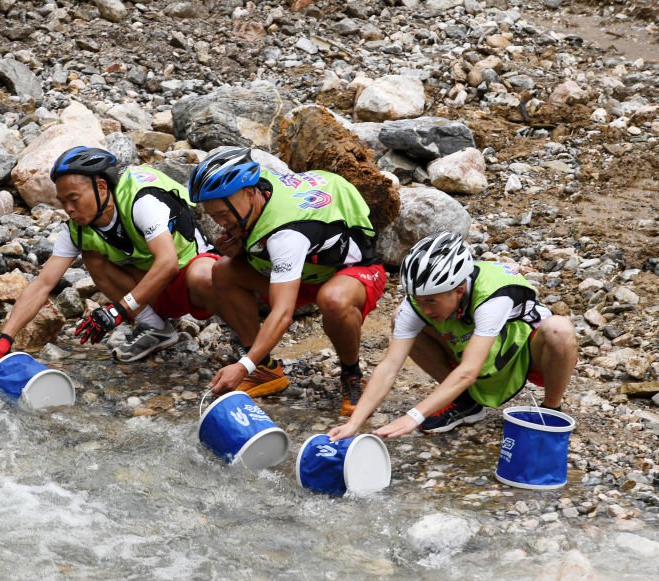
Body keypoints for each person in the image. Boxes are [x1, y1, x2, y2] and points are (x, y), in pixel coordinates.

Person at [188, 147, 386, 416]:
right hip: (307, 269)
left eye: (224, 214)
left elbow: (283, 313)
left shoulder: (288, 235)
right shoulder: (261, 188)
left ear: (249, 193)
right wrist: (242, 243)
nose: (221, 223)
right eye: (214, 217)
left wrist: (241, 365)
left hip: (353, 271)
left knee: (333, 300)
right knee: (224, 270)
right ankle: (265, 369)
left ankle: (352, 376)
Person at [328, 232, 578, 441]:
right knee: (400, 320)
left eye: (431, 301)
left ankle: (551, 411)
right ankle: (464, 402)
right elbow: (390, 366)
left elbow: (469, 370)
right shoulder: (417, 303)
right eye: (417, 300)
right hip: (469, 349)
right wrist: (355, 422)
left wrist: (414, 416)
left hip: (520, 354)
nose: (424, 309)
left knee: (560, 329)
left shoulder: (494, 295)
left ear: (459, 290)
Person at [0, 146, 218, 366]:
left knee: (204, 275)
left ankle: (244, 342)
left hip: (194, 284)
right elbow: (43, 284)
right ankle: (156, 328)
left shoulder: (141, 201)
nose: (68, 209)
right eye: (63, 202)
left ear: (102, 187)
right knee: (93, 256)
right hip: (154, 291)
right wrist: (5, 336)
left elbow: (167, 264)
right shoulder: (77, 230)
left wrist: (117, 311)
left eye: (74, 199)